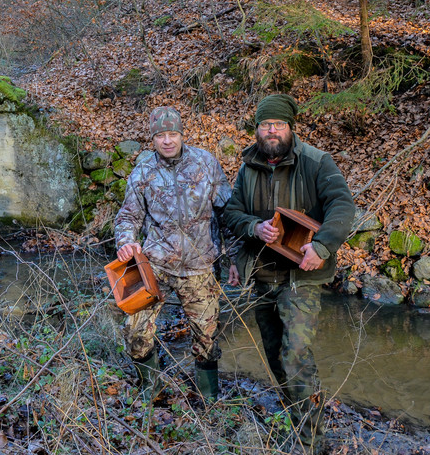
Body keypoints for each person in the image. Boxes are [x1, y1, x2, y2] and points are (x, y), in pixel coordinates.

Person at [223, 94, 355, 450]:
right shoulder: (247, 166)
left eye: (278, 124)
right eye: (265, 125)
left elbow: (342, 204)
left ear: (290, 128)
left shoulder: (316, 162)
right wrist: (254, 227)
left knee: (294, 353)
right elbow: (232, 212)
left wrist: (323, 245)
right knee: (274, 355)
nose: (271, 131)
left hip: (302, 276)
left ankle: (313, 442)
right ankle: (301, 418)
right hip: (263, 274)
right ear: (256, 130)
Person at [114, 106, 235, 402]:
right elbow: (128, 216)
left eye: (173, 134)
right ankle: (151, 391)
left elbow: (228, 213)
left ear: (181, 134)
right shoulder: (143, 170)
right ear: (152, 139)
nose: (167, 141)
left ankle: (209, 399)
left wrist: (233, 258)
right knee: (136, 332)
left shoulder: (205, 163)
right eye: (160, 136)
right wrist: (126, 241)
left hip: (200, 266)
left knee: (206, 339)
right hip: (155, 266)